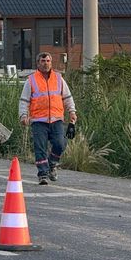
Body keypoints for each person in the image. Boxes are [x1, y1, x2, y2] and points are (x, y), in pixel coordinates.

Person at [18, 52, 77, 185]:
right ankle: (43, 174)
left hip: (56, 120)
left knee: (60, 144)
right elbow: (24, 100)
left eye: (48, 61)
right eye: (43, 61)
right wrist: (23, 115)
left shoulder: (58, 79)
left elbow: (67, 97)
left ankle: (52, 164)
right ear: (38, 63)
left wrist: (72, 111)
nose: (46, 63)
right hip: (38, 120)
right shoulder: (31, 80)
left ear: (51, 62)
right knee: (40, 147)